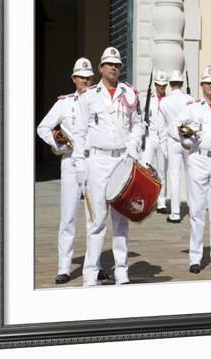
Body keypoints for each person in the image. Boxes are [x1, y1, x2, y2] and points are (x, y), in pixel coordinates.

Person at [72, 47, 144, 286]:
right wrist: (79, 164)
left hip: (122, 160)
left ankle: (121, 271)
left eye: (118, 64)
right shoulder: (89, 96)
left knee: (121, 220)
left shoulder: (130, 94)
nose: (114, 67)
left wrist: (133, 148)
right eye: (109, 64)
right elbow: (79, 133)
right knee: (96, 219)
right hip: (98, 161)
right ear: (101, 67)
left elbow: (138, 126)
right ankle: (90, 274)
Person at [36, 57, 108, 284]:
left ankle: (93, 266)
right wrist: (59, 144)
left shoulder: (100, 101)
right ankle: (64, 267)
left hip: (94, 162)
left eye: (89, 78)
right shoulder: (64, 104)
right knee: (68, 216)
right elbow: (43, 127)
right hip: (70, 162)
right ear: (74, 79)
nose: (86, 82)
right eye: (81, 78)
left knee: (94, 217)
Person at [174, 66, 211, 274]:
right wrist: (186, 140)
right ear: (202, 85)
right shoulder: (193, 107)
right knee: (196, 211)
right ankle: (195, 257)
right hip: (198, 159)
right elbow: (173, 126)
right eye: (208, 83)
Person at [158, 70, 194, 223]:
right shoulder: (190, 99)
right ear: (182, 83)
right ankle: (194, 210)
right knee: (191, 176)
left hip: (173, 141)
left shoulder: (164, 102)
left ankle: (175, 213)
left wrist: (163, 145)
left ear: (170, 84)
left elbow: (161, 126)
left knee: (174, 176)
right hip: (188, 139)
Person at [141, 70, 169, 213]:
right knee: (144, 167)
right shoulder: (148, 99)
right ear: (155, 84)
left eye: (163, 85)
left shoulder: (169, 101)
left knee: (162, 171)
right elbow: (141, 117)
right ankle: (145, 200)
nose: (161, 87)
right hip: (150, 136)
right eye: (159, 85)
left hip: (163, 138)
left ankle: (161, 203)